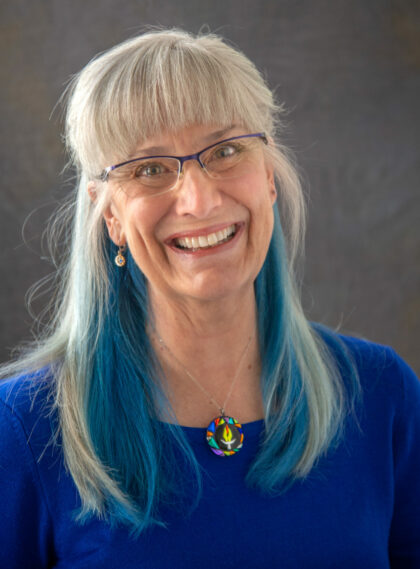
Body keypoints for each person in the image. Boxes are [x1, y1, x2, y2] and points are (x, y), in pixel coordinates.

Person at [0, 28, 419, 569]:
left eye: (224, 151)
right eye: (149, 169)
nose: (198, 201)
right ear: (111, 217)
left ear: (267, 176)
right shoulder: (22, 430)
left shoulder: (384, 396)